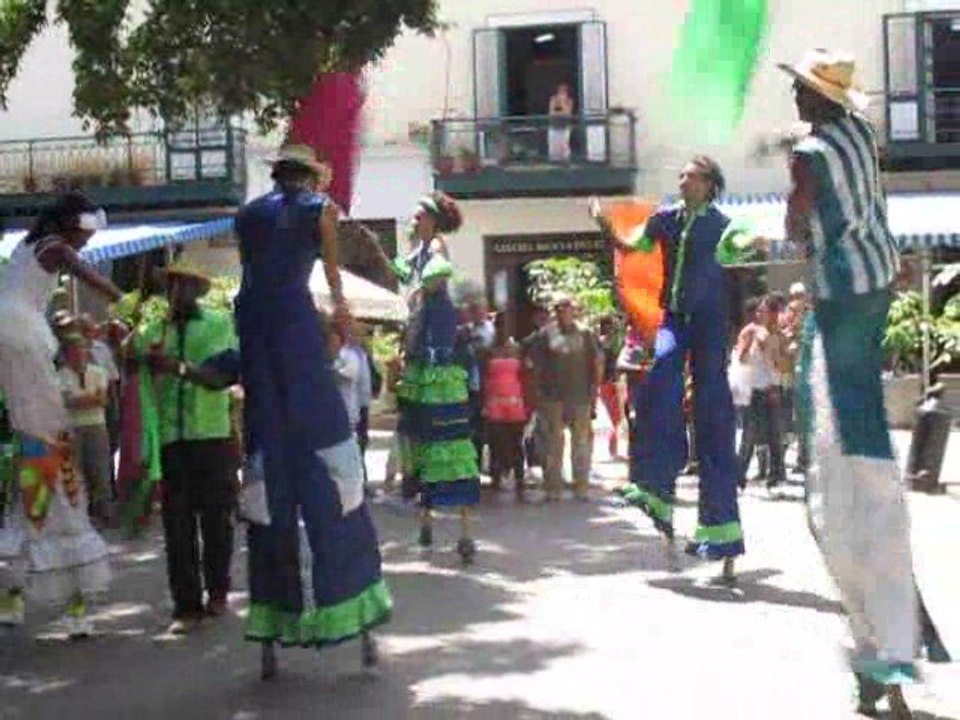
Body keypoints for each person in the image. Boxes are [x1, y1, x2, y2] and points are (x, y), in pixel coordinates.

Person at [780, 49, 917, 718]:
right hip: (879, 282)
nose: (796, 102)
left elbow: (795, 223)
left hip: (839, 294)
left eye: (801, 93)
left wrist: (789, 216)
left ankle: (880, 651)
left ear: (819, 100)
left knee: (838, 454)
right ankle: (876, 662)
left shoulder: (809, 150)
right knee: (860, 442)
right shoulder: (862, 135)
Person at [235, 143, 390, 677]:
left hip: (256, 340)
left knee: (267, 497)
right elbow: (328, 272)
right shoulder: (319, 208)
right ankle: (360, 622)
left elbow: (253, 276)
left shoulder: (248, 214)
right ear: (311, 176)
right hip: (297, 343)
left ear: (277, 175)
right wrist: (343, 317)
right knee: (339, 492)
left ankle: (270, 633)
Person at [590, 156, 762, 581]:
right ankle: (653, 488)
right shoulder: (665, 219)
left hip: (709, 326)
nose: (682, 180)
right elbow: (632, 245)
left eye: (691, 175)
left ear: (709, 183)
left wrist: (746, 241)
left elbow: (740, 241)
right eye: (681, 174)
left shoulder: (723, 223)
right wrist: (602, 224)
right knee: (659, 383)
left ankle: (720, 528)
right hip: (674, 319)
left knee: (713, 419)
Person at [0, 192, 119, 636]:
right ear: (72, 226)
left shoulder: (24, 248)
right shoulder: (53, 246)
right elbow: (79, 267)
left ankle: (11, 595)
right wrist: (119, 296)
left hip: (11, 333)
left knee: (35, 447)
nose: (87, 243)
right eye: (85, 234)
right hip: (22, 334)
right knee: (54, 449)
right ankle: (73, 601)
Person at [365, 193, 481, 564]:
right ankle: (428, 518)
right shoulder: (418, 251)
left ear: (432, 219)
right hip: (420, 352)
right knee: (423, 440)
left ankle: (462, 530)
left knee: (445, 437)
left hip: (437, 354)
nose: (413, 222)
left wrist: (418, 291)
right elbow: (400, 273)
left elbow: (437, 273)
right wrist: (377, 249)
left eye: (418, 216)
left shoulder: (436, 246)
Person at [132, 259, 240, 635]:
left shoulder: (218, 325)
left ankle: (218, 592)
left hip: (211, 436)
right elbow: (131, 359)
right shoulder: (153, 330)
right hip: (171, 441)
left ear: (198, 289)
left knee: (216, 522)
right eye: (173, 284)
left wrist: (176, 367)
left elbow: (218, 377)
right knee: (176, 526)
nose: (179, 292)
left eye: (187, 284)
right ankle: (186, 604)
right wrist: (131, 347)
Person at [524, 296, 602, 502]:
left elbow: (597, 362)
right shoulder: (544, 335)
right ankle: (553, 488)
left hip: (580, 396)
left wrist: (595, 391)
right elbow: (534, 365)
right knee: (552, 444)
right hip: (552, 397)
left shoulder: (586, 334)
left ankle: (581, 487)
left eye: (566, 309)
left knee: (581, 443)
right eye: (558, 309)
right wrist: (536, 394)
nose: (563, 313)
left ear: (573, 311)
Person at [57, 331, 113, 526]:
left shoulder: (98, 372)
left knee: (101, 471)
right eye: (74, 350)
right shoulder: (60, 375)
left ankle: (105, 513)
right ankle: (79, 517)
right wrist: (90, 398)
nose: (79, 353)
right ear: (66, 353)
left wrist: (80, 399)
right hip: (71, 429)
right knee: (75, 474)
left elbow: (103, 399)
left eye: (81, 349)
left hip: (96, 426)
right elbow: (66, 402)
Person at [735, 296, 787, 490]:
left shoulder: (779, 336)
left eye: (764, 311)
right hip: (754, 390)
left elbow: (783, 365)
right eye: (759, 311)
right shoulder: (750, 332)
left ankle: (776, 476)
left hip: (772, 389)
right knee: (749, 434)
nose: (760, 315)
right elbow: (741, 359)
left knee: (775, 433)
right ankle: (738, 475)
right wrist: (751, 345)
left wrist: (771, 354)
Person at [482, 313, 530, 500]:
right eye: (498, 324)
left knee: (516, 443)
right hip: (495, 403)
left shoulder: (517, 349)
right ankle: (496, 477)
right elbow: (484, 376)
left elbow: (526, 377)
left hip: (514, 403)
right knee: (497, 442)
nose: (501, 328)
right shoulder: (489, 350)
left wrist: (528, 403)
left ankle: (519, 479)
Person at [597, 315, 625, 459]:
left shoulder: (609, 342)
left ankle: (614, 448)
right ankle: (612, 450)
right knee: (614, 416)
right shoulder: (603, 343)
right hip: (607, 382)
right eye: (611, 325)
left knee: (616, 416)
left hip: (610, 381)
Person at [548, 82, 575, 162]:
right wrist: (561, 112)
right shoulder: (553, 99)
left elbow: (568, 113)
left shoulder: (569, 101)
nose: (561, 93)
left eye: (564, 91)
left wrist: (562, 103)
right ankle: (554, 161)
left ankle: (565, 161)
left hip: (565, 126)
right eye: (560, 91)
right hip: (554, 126)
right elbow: (551, 113)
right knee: (553, 146)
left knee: (564, 145)